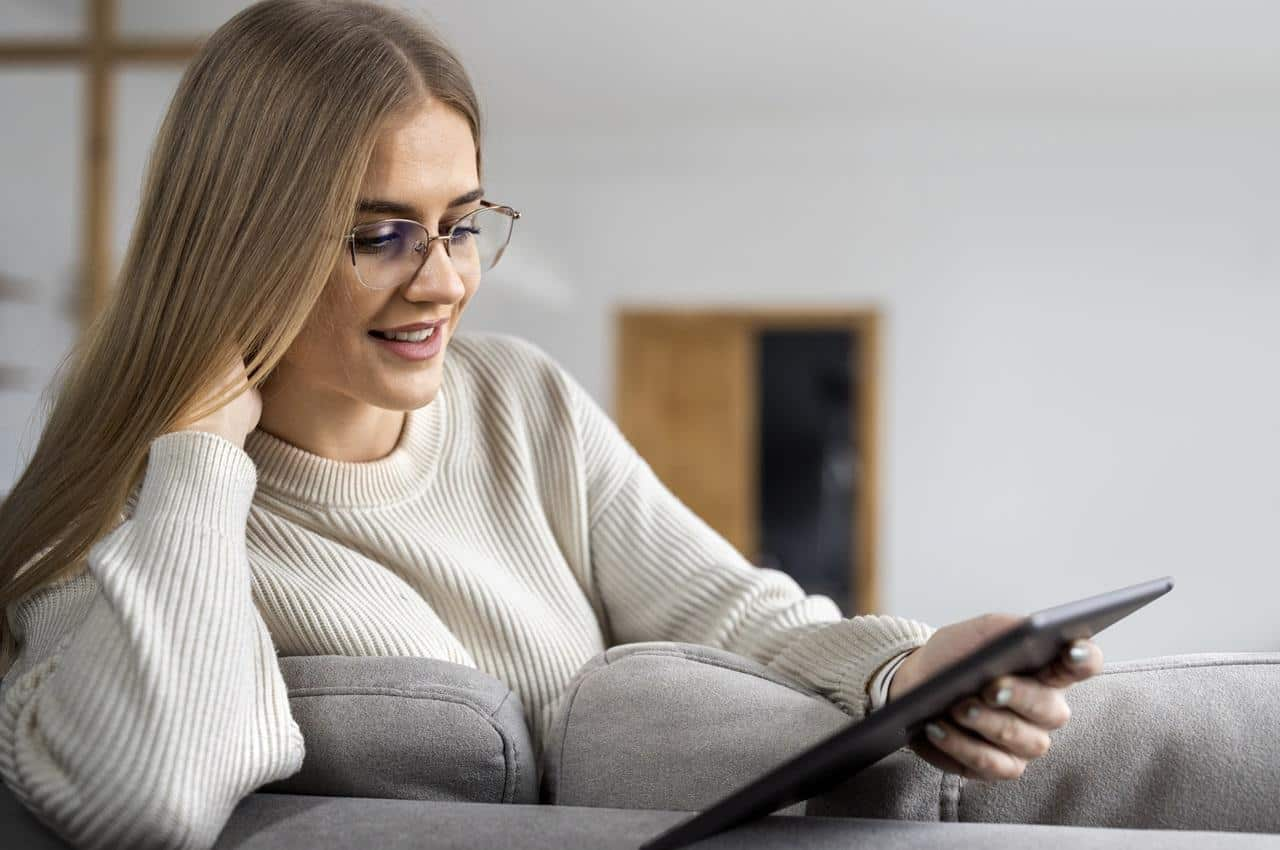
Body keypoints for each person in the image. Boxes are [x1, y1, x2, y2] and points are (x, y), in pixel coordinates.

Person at [0, 2, 1102, 848]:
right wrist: (194, 456)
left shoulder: (518, 399)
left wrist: (904, 668)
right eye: (377, 236)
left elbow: (735, 613)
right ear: (240, 243)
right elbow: (149, 796)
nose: (442, 282)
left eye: (462, 224)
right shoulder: (124, 514)